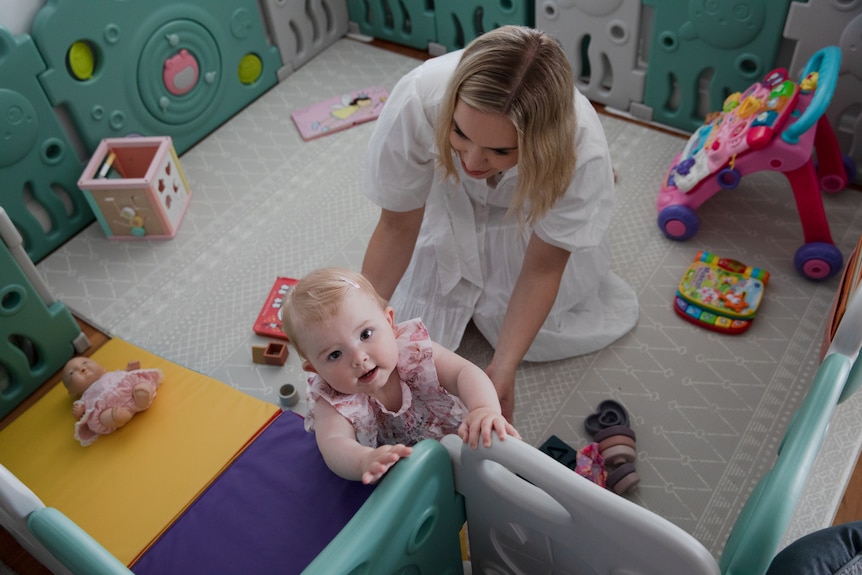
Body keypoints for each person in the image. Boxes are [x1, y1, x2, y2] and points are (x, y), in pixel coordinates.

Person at [361, 25, 639, 421]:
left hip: (529, 209)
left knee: (541, 324)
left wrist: (503, 366)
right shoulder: (420, 96)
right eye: (459, 132)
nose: (472, 162)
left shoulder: (581, 147)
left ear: (538, 143)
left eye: (500, 149)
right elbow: (397, 226)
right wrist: (357, 326)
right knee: (405, 324)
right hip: (446, 200)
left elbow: (543, 268)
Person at [281, 267, 520, 484]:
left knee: (500, 470)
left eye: (365, 334)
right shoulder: (333, 402)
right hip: (401, 478)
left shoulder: (413, 350)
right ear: (316, 370)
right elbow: (334, 446)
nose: (358, 358)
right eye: (334, 354)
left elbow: (463, 372)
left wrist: (482, 409)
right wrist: (365, 460)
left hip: (458, 438)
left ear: (389, 322)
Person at [62, 356, 162, 446]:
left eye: (85, 363)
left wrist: (129, 369)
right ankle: (117, 416)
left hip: (128, 391)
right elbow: (82, 417)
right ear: (72, 392)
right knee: (102, 417)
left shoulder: (111, 375)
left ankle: (142, 396)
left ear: (102, 368)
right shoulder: (86, 396)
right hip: (107, 408)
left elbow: (124, 374)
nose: (82, 369)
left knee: (138, 383)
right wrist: (78, 412)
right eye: (72, 373)